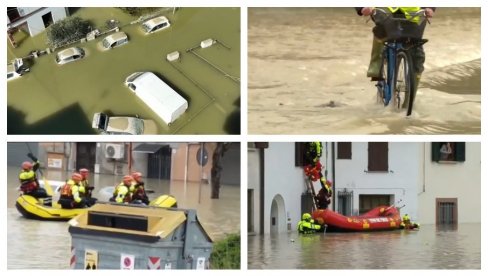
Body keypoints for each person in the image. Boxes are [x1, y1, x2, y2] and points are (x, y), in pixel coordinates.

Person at [356, 7, 435, 91]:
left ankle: (410, 98)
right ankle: (376, 64)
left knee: (417, 56)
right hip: (385, 12)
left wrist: (430, 8)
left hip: (414, 15)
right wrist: (362, 7)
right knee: (381, 32)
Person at [304, 142, 331, 208]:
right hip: (323, 204)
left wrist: (316, 197)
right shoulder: (328, 190)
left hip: (322, 204)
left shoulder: (326, 189)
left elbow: (322, 181)